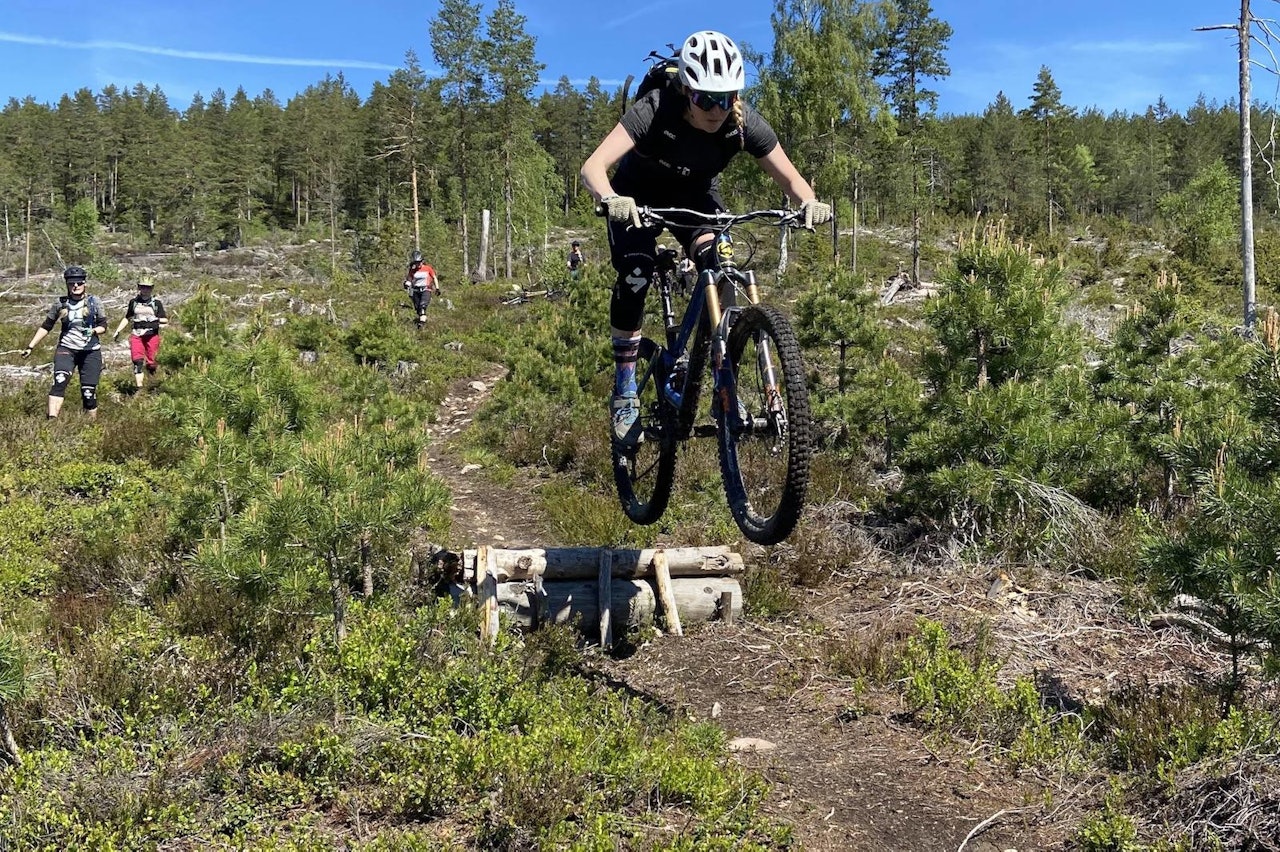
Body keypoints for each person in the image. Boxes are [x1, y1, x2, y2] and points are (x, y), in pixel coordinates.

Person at [580, 29, 832, 447]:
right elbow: (593, 166)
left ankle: (721, 376)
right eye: (705, 99)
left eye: (727, 96)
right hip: (637, 195)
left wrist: (809, 202)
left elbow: (790, 177)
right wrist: (610, 198)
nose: (717, 108)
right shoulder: (656, 108)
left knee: (723, 261)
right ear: (686, 90)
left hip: (695, 197)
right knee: (637, 271)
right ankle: (625, 390)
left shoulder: (742, 122)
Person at [21, 265, 108, 419]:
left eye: (79, 283)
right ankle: (51, 422)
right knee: (59, 381)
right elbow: (46, 326)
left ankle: (92, 427)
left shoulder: (94, 302)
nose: (76, 286)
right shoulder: (60, 304)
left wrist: (93, 331)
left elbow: (103, 326)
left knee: (88, 392)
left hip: (91, 351)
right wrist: (30, 346)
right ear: (67, 284)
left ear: (84, 283)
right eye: (72, 283)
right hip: (67, 349)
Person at [111, 276, 168, 390]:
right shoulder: (134, 302)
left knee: (152, 362)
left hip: (152, 335)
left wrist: (154, 319)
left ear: (151, 288)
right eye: (143, 287)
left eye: (148, 287)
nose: (145, 290)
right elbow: (127, 317)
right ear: (139, 288)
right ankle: (139, 388)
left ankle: (153, 383)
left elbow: (165, 319)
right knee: (137, 361)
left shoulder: (156, 303)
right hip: (137, 334)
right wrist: (118, 330)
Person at [403, 249, 440, 326]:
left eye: (419, 262)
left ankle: (421, 324)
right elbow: (409, 279)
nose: (418, 264)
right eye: (416, 263)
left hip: (426, 290)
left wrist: (437, 288)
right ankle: (420, 319)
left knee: (423, 306)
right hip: (416, 291)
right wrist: (407, 284)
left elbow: (434, 277)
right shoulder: (412, 270)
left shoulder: (428, 268)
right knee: (418, 308)